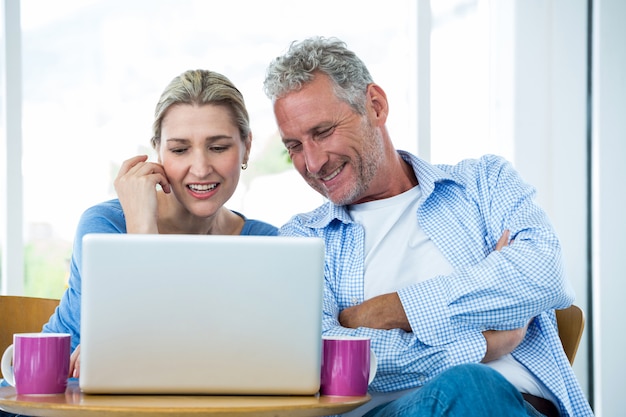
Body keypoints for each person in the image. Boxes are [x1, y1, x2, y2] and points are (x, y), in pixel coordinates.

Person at [263, 37, 593, 417]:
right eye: (294, 146)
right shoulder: (303, 241)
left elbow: (544, 276)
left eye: (322, 132)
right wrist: (481, 343)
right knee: (470, 384)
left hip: (529, 408)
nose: (313, 162)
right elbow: (329, 364)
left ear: (375, 106)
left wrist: (382, 312)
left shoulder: (484, 184)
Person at [41, 69, 278, 380]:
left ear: (247, 146)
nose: (201, 168)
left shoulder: (268, 243)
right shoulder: (107, 225)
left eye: (218, 147)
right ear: (158, 151)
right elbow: (128, 346)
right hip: (56, 404)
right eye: (179, 150)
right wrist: (141, 227)